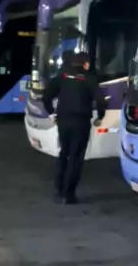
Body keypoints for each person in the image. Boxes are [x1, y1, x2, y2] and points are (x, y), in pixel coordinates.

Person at [43, 50, 106, 204]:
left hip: (63, 120)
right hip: (81, 121)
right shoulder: (89, 78)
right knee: (76, 157)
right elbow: (100, 100)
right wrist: (100, 116)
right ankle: (69, 194)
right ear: (86, 64)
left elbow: (46, 97)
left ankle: (59, 188)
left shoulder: (62, 76)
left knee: (63, 153)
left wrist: (51, 114)